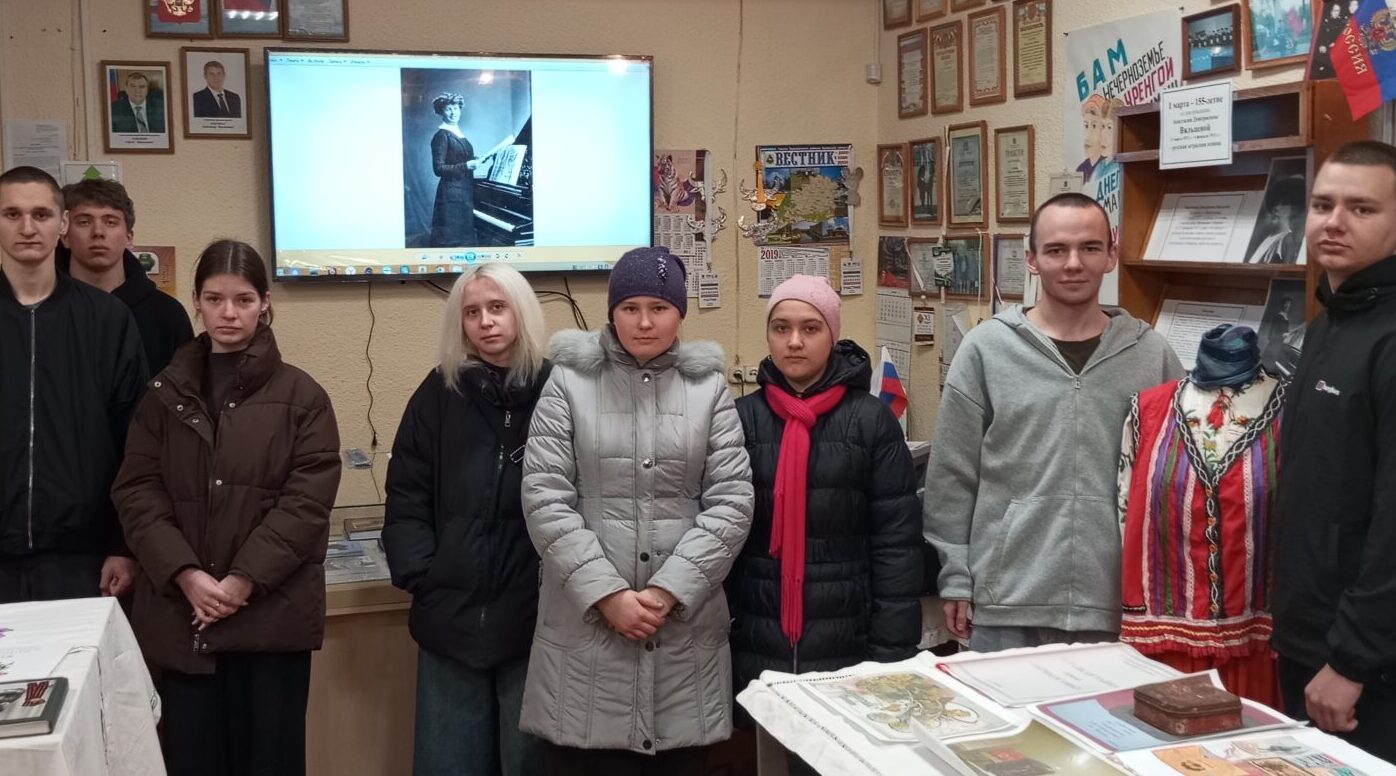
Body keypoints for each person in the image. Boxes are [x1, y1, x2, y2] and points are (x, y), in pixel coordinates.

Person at [521, 246, 754, 776]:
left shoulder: (709, 389)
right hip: (587, 635)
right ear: (612, 313)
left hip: (683, 637)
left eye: (659, 308)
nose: (644, 322)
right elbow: (545, 497)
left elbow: (732, 501)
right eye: (630, 308)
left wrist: (667, 592)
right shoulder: (568, 383)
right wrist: (608, 595)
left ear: (680, 313)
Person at [112, 239, 341, 776]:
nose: (229, 313)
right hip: (183, 618)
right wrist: (186, 574)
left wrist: (241, 581)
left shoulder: (304, 397)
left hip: (270, 622)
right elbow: (137, 490)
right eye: (215, 299)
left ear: (265, 304)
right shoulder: (162, 394)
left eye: (243, 299)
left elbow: (306, 504)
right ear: (196, 302)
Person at [924, 193, 1184, 653]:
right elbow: (952, 476)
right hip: (1006, 601)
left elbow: (1176, 480)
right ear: (1031, 260)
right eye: (1056, 250)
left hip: (1118, 605)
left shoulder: (1151, 356)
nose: (1073, 263)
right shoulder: (986, 351)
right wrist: (956, 576)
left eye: (1089, 247)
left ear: (1111, 254)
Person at [729, 276, 922, 774]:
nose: (794, 341)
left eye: (810, 328)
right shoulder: (740, 419)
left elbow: (897, 545)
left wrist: (891, 654)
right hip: (760, 633)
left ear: (832, 335)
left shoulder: (870, 422)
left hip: (847, 638)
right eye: (781, 328)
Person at [383, 262, 551, 776]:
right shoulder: (438, 393)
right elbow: (406, 494)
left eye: (497, 308)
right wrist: (423, 576)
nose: (485, 322)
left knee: (530, 762)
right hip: (449, 620)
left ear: (521, 312)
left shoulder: (558, 390)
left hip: (534, 621)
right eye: (472, 312)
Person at [1272, 140, 1396, 762]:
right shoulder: (1329, 323)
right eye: (1322, 205)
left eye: (1361, 208)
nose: (1334, 222)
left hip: (1366, 669)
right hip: (1309, 641)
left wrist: (1352, 661)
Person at [0, 165, 147, 602]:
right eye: (12, 214)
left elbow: (137, 440)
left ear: (62, 224)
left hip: (83, 561)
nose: (28, 227)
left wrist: (123, 544)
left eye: (41, 214)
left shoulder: (107, 319)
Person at [1118, 325, 1285, 707]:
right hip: (1163, 647)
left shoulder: (1291, 409)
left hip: (1258, 646)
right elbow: (1123, 516)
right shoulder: (1148, 410)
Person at [58, 178, 194, 374]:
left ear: (129, 237)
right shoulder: (42, 310)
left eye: (110, 222)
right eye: (84, 222)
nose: (98, 232)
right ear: (64, 236)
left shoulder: (168, 315)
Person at [429, 92, 479, 247]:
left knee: (464, 239)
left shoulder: (457, 132)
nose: (453, 112)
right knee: (451, 240)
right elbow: (438, 168)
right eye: (448, 109)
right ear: (441, 112)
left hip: (464, 192)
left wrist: (477, 160)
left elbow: (460, 157)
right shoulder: (441, 136)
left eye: (456, 108)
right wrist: (466, 166)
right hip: (450, 196)